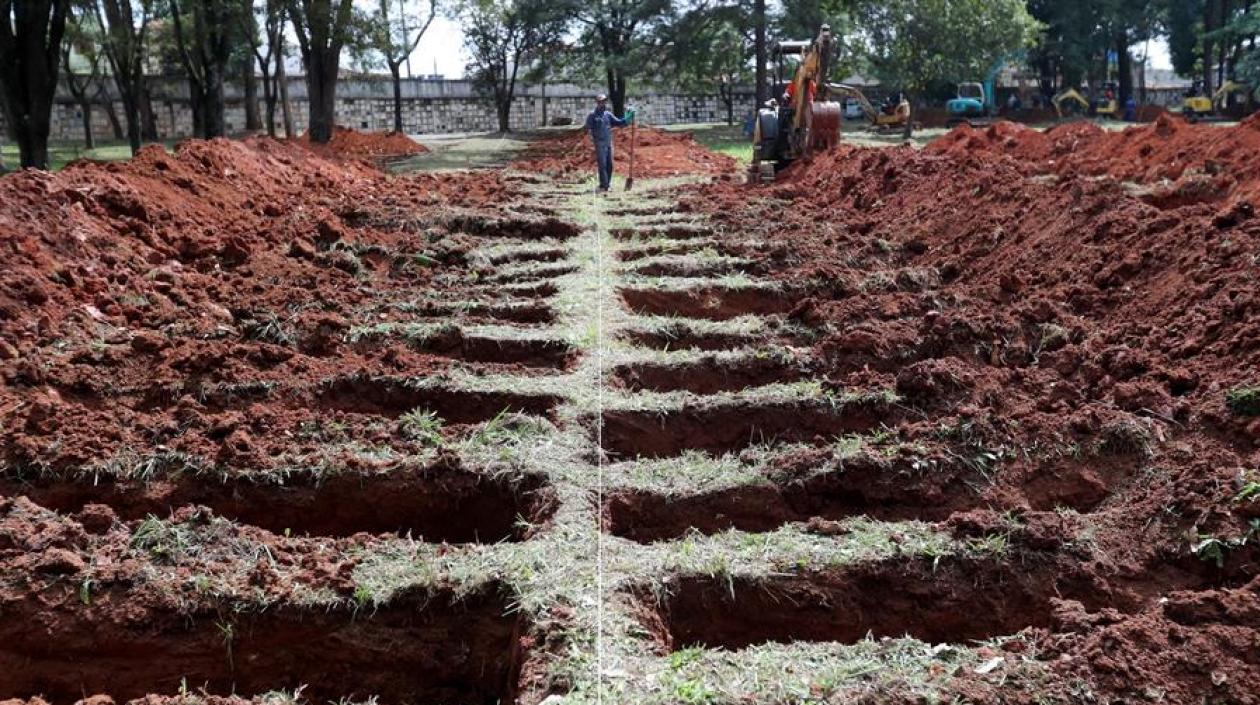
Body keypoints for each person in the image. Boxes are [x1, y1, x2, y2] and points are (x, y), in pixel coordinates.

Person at [585, 94, 633, 192]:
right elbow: (588, 129)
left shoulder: (608, 114)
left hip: (608, 143)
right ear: (597, 102)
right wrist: (591, 142)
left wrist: (628, 116)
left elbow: (620, 123)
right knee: (602, 164)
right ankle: (604, 186)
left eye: (604, 101)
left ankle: (608, 184)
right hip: (599, 143)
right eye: (600, 101)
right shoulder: (592, 115)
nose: (602, 103)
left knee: (610, 165)